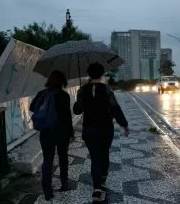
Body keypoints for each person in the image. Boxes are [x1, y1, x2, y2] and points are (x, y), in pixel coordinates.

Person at [73, 63, 130, 202]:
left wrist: (79, 99)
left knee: (95, 157)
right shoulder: (106, 89)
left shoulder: (82, 90)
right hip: (105, 128)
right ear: (102, 74)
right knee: (104, 154)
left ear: (89, 74)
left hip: (89, 129)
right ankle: (102, 177)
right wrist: (124, 124)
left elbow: (77, 110)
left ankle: (97, 189)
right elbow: (115, 107)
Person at [30, 70, 74, 201]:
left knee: (47, 159)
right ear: (62, 82)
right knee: (63, 157)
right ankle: (64, 183)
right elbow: (67, 116)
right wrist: (70, 132)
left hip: (46, 132)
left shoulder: (42, 94)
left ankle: (47, 191)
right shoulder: (64, 95)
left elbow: (33, 108)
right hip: (61, 132)